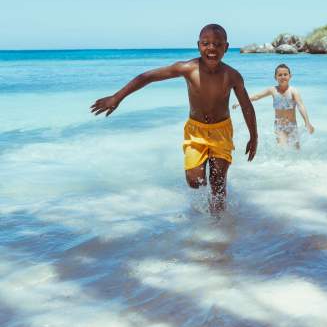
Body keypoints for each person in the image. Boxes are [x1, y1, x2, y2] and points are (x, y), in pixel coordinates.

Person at [90, 24, 258, 213]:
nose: (211, 48)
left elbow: (246, 106)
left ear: (226, 48)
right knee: (195, 181)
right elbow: (147, 77)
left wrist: (254, 136)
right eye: (206, 43)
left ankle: (217, 225)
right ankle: (201, 211)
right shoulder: (188, 68)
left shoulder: (232, 76)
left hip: (221, 131)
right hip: (196, 131)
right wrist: (117, 97)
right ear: (198, 45)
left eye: (217, 44)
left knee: (217, 182)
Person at [234, 64, 314, 148]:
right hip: (279, 126)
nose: (283, 77)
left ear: (290, 76)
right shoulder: (273, 90)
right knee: (283, 149)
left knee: (296, 150)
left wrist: (307, 123)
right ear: (275, 77)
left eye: (285, 74)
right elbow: (256, 96)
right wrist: (241, 101)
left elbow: (301, 106)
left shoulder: (293, 91)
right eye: (280, 75)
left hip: (292, 125)